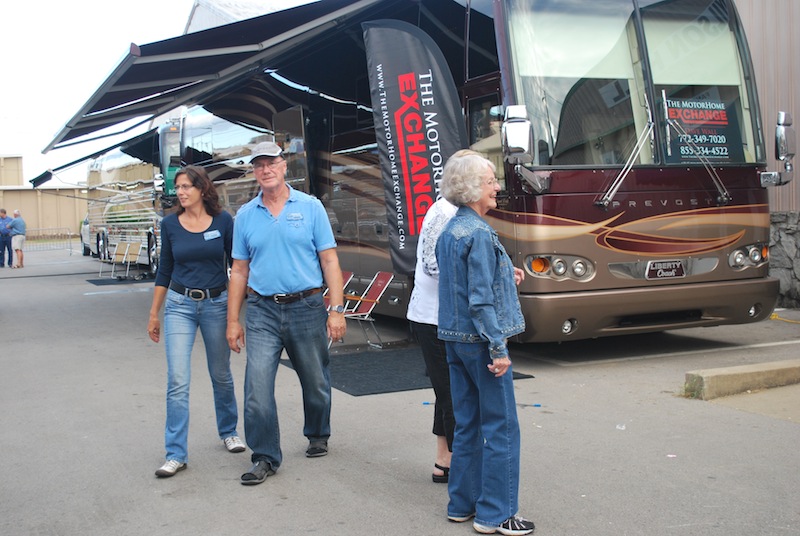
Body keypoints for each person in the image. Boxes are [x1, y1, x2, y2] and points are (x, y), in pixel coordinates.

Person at [226, 141, 346, 486]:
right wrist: (234, 321)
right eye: (259, 165)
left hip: (307, 307)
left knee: (316, 381)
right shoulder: (246, 216)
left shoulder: (310, 208)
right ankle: (264, 456)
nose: (265, 169)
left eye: (271, 163)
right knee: (257, 387)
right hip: (262, 310)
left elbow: (329, 260)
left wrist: (336, 310)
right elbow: (239, 271)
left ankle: (318, 432)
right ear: (254, 171)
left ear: (284, 166)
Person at [435, 152, 535, 535]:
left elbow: (460, 283)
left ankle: (461, 504)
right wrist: (498, 348)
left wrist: (502, 272)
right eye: (492, 180)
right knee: (503, 427)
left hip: (453, 339)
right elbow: (479, 300)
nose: (497, 187)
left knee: (468, 423)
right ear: (475, 187)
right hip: (479, 343)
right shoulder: (477, 231)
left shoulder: (453, 230)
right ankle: (497, 514)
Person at [147, 165, 245, 478]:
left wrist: (235, 316)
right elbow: (165, 269)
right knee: (177, 379)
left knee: (220, 373)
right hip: (179, 305)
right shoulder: (170, 224)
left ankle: (228, 431)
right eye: (178, 187)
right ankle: (175, 454)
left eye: (187, 186)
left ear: (202, 189)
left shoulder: (223, 221)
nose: (181, 192)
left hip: (216, 304)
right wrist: (154, 313)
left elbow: (237, 268)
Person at [407, 151, 483, 484]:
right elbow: (431, 265)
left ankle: (445, 462)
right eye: (485, 179)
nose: (491, 186)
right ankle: (464, 473)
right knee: (454, 396)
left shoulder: (455, 211)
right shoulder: (443, 213)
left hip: (443, 316)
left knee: (447, 392)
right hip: (434, 318)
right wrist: (483, 278)